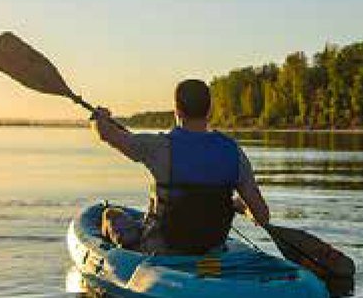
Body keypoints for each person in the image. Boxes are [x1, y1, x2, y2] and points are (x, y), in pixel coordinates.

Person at [89, 79, 270, 254]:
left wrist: (99, 117)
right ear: (209, 111)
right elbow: (261, 216)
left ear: (177, 110)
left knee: (110, 215)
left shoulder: (158, 147)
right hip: (212, 250)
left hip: (161, 250)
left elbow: (106, 132)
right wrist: (240, 207)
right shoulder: (234, 152)